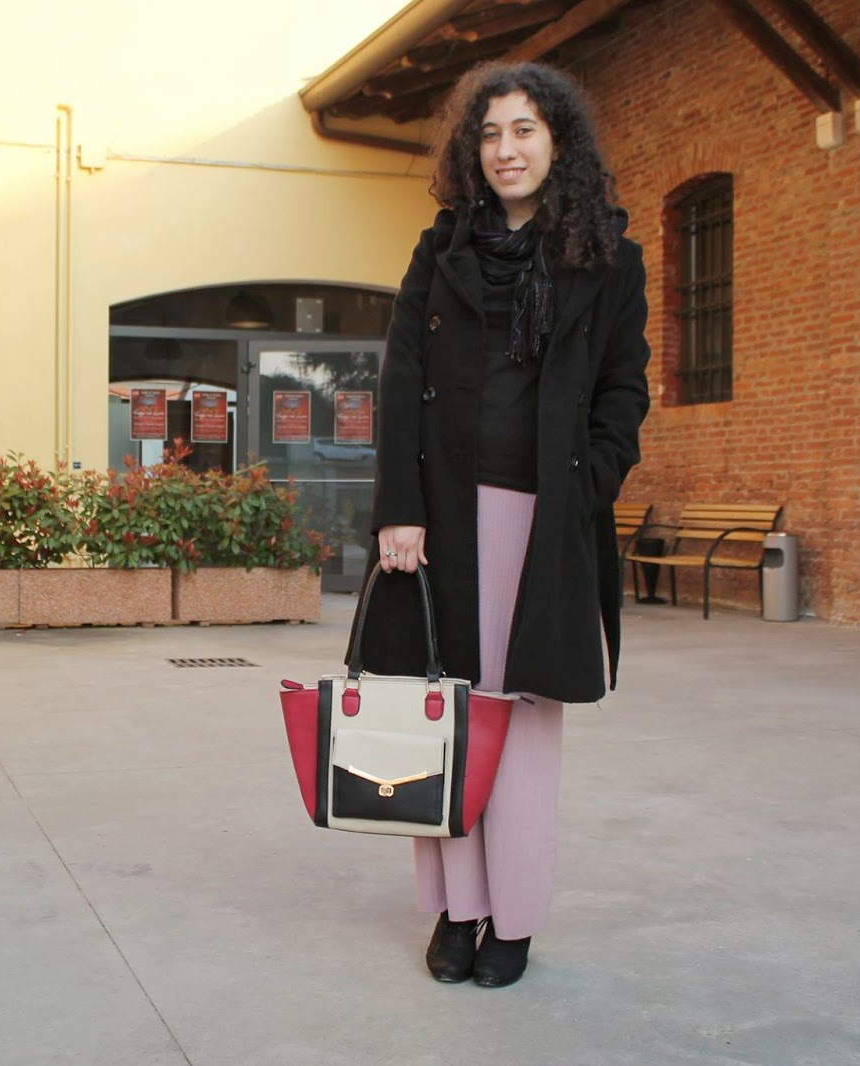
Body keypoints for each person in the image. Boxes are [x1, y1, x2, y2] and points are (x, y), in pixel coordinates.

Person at [348, 60, 651, 988]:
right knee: (445, 714)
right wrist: (399, 510)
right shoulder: (440, 252)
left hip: (544, 524)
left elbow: (623, 390)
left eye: (524, 130)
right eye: (489, 133)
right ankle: (457, 910)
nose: (506, 149)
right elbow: (400, 381)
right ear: (470, 150)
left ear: (559, 142)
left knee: (523, 727)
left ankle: (512, 921)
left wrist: (588, 485)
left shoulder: (610, 260)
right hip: (442, 523)